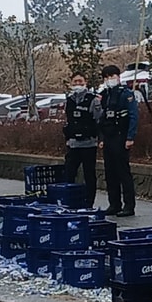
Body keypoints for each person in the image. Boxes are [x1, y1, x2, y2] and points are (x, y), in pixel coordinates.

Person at [98, 64, 139, 217]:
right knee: (110, 173)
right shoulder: (105, 95)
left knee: (123, 172)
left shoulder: (126, 94)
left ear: (118, 77)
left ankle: (129, 205)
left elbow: (133, 116)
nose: (110, 79)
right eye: (107, 77)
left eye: (112, 76)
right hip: (108, 137)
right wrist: (101, 138)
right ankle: (114, 204)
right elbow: (101, 119)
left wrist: (130, 137)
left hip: (121, 136)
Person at [62, 72, 102, 206]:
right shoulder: (69, 100)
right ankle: (70, 202)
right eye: (75, 82)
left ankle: (89, 203)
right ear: (71, 83)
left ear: (86, 82)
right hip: (73, 144)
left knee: (89, 175)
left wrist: (99, 138)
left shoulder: (93, 100)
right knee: (69, 173)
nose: (78, 84)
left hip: (88, 144)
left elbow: (98, 120)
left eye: (80, 81)